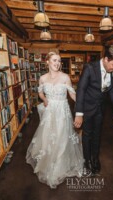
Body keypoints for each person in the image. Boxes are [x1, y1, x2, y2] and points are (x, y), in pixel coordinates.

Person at [26, 52, 83, 188]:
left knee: (61, 137)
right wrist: (44, 99)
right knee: (47, 136)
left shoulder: (65, 77)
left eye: (59, 61)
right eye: (54, 60)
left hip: (62, 112)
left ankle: (59, 165)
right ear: (48, 62)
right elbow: (40, 92)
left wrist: (82, 107)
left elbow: (72, 94)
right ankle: (47, 161)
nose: (57, 63)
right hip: (49, 111)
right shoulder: (43, 78)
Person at [74, 45, 113, 175]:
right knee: (87, 135)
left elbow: (112, 91)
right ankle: (86, 161)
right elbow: (81, 91)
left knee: (97, 134)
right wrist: (79, 114)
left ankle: (95, 158)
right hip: (87, 108)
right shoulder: (90, 68)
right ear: (106, 59)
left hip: (101, 108)